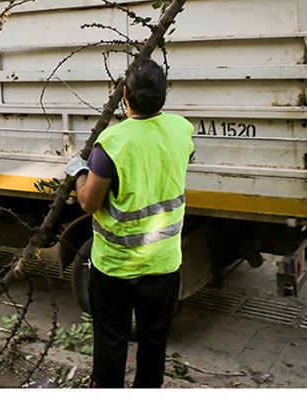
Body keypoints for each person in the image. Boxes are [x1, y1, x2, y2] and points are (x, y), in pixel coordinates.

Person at [65, 60, 195, 388]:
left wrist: (78, 171)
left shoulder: (112, 143)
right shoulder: (182, 130)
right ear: (164, 95)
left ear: (125, 95)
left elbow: (88, 203)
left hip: (116, 269)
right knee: (154, 343)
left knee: (111, 341)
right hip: (164, 263)